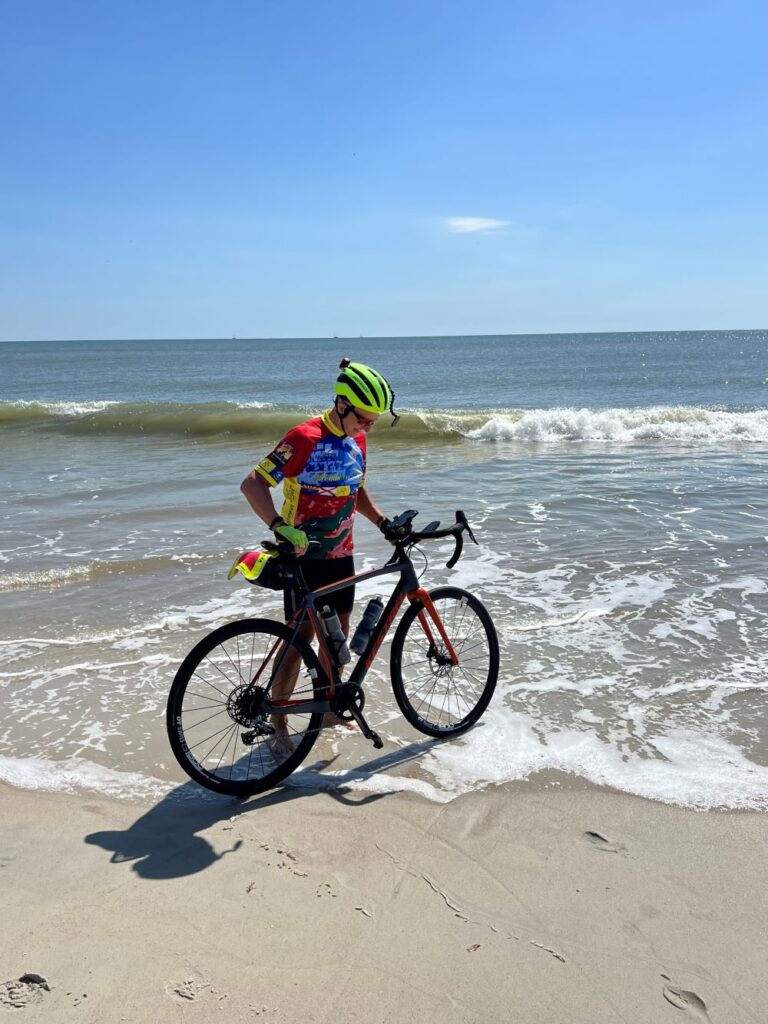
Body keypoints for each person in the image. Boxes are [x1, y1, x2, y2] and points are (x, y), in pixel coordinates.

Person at [240, 359, 398, 754]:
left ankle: (328, 710)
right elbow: (253, 483)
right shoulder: (303, 438)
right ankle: (278, 723)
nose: (368, 427)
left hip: (341, 554)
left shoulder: (357, 440)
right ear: (342, 406)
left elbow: (355, 491)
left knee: (336, 639)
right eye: (364, 418)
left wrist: (381, 521)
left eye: (373, 421)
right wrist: (278, 525)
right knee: (299, 641)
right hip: (302, 559)